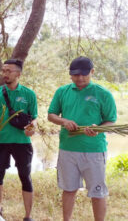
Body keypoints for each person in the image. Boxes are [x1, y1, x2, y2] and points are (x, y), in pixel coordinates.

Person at [48, 56, 116, 221]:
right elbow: (51, 115)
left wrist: (97, 129)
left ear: (92, 72)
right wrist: (64, 121)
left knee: (97, 192)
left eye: (84, 74)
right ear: (70, 74)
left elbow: (111, 121)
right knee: (69, 189)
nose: (79, 78)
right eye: (75, 75)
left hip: (93, 150)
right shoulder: (62, 91)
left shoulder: (103, 93)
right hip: (67, 149)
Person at [0, 59, 37, 221]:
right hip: (0, 141)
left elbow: (34, 117)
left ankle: (28, 216)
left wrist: (32, 128)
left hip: (22, 142)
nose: (5, 74)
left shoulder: (29, 94)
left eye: (8, 71)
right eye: (3, 71)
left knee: (25, 176)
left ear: (18, 74)